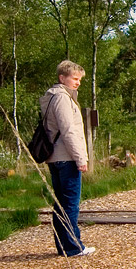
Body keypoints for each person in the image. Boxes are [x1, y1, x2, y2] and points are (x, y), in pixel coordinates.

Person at [40, 60, 94, 257]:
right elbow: (68, 130)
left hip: (56, 157)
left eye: (79, 79)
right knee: (70, 203)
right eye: (74, 78)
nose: (78, 82)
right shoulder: (62, 98)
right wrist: (81, 158)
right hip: (66, 157)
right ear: (62, 78)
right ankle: (73, 246)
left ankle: (65, 246)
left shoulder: (52, 97)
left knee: (61, 203)